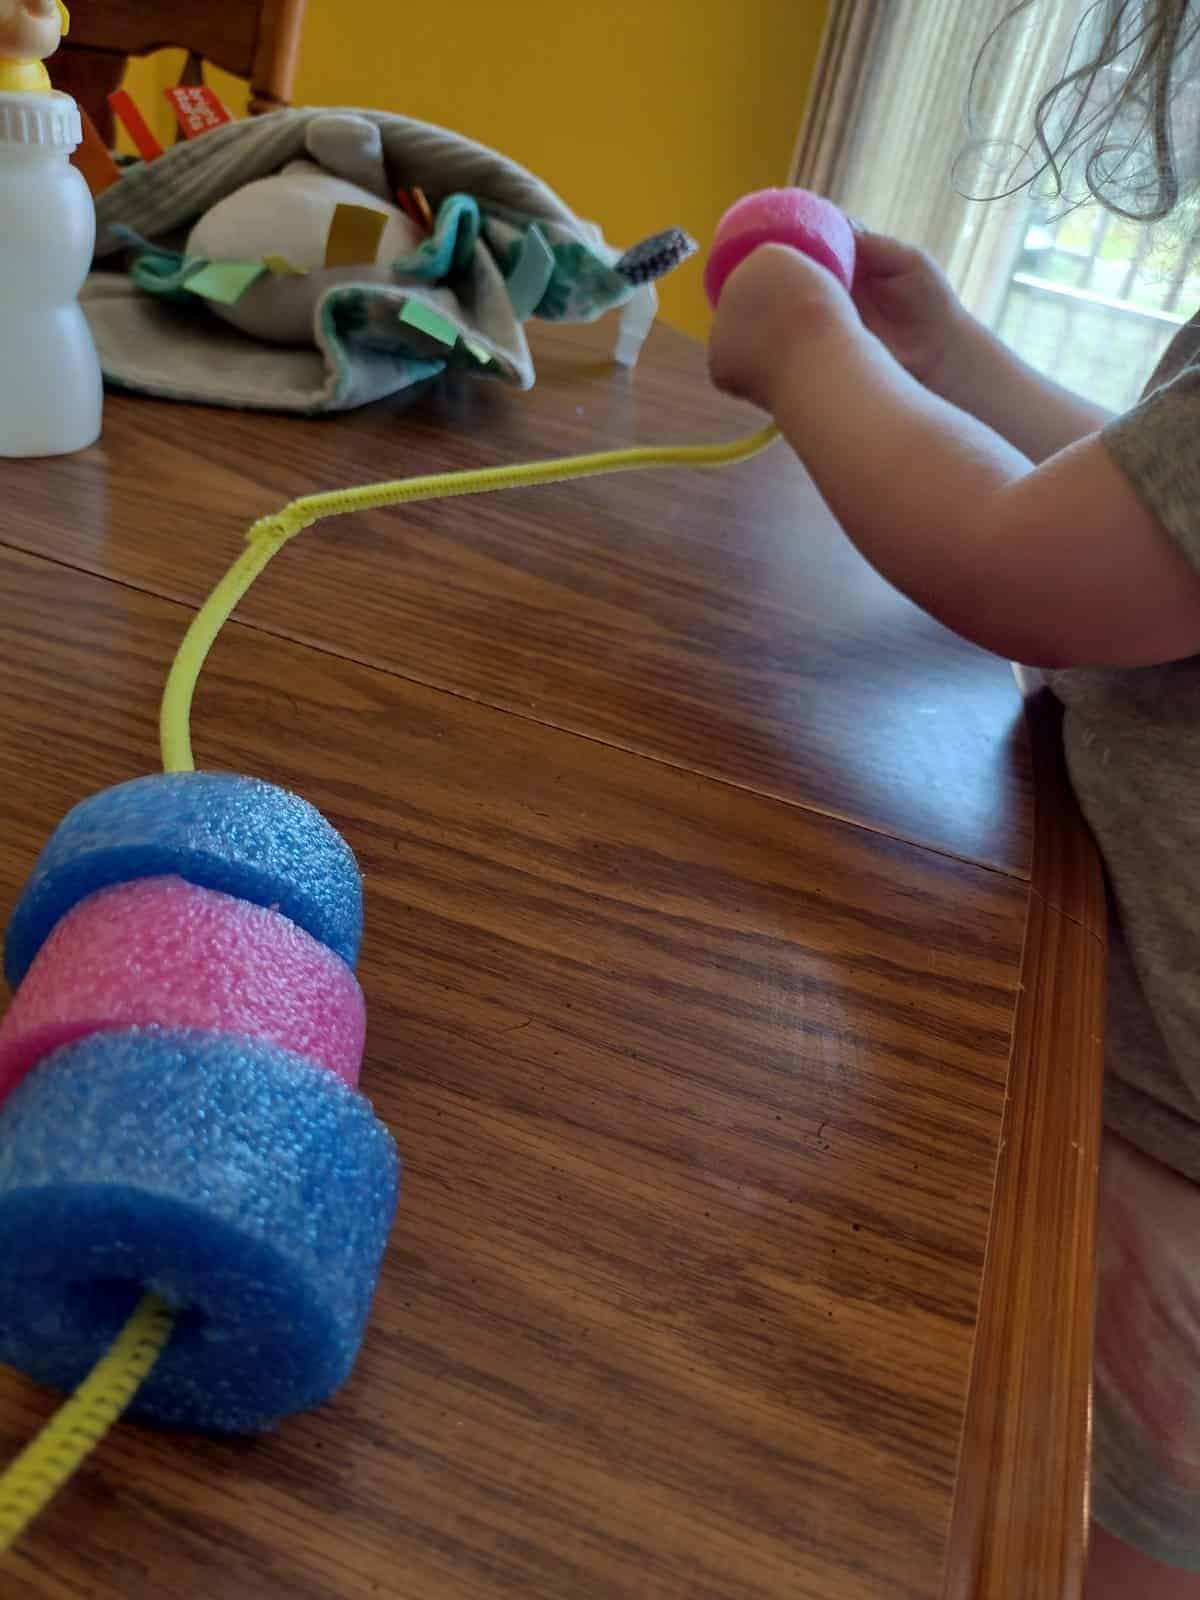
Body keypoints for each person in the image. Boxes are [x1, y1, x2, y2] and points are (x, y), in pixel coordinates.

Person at [709, 3, 1200, 1594]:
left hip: (1165, 1163)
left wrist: (803, 347)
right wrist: (950, 361)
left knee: (1085, 1531)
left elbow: (1020, 565)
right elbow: (1145, 523)